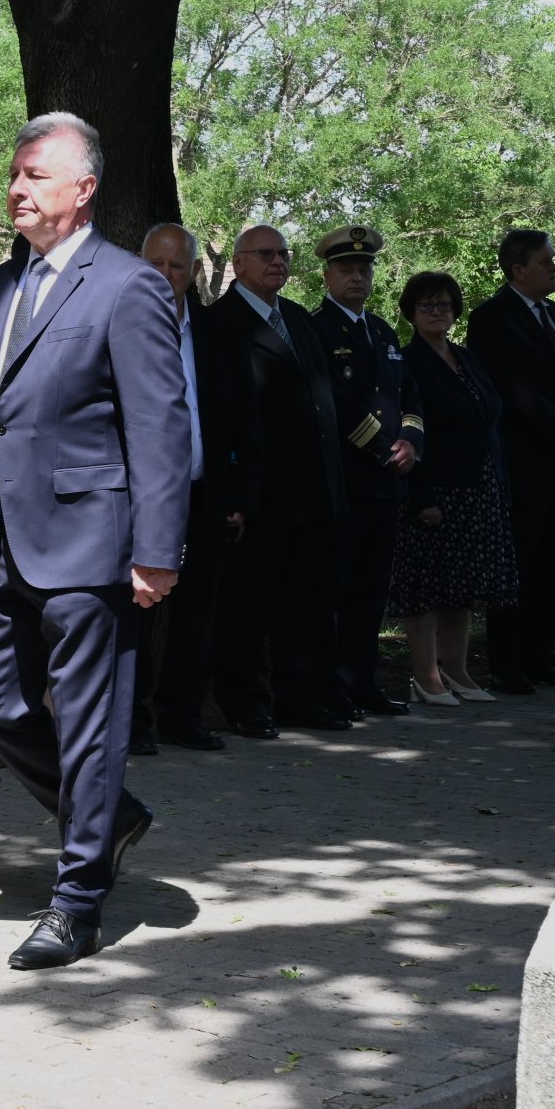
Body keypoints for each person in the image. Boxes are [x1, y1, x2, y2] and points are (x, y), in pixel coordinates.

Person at [0, 113, 189, 970]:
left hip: (89, 540)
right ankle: (108, 817)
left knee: (87, 725)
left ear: (84, 189)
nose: (17, 188)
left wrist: (158, 548)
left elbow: (159, 425)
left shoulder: (128, 286)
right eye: (14, 173)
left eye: (37, 174)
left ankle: (77, 901)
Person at [206, 224, 349, 736]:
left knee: (306, 603)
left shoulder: (296, 319)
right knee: (248, 605)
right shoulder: (220, 323)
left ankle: (300, 696)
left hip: (314, 489)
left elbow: (321, 401)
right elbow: (222, 414)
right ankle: (244, 703)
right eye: (265, 254)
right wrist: (235, 492)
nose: (278, 262)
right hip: (261, 492)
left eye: (284, 254)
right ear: (239, 263)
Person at [132, 223, 257, 753]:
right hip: (139, 498)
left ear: (193, 272)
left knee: (196, 614)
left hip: (203, 494)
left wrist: (236, 499)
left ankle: (181, 716)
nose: (164, 275)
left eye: (175, 266)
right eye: (155, 265)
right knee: (136, 616)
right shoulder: (124, 326)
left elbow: (238, 420)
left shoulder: (214, 334)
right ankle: (132, 725)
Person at [464, 229, 555, 693]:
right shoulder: (491, 319)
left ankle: (543, 654)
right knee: (518, 561)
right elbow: (513, 389)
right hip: (526, 461)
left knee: (554, 563)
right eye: (546, 261)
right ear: (518, 269)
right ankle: (507, 662)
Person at [385, 273, 518, 705]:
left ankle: (457, 670)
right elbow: (410, 428)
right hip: (435, 489)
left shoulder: (466, 358)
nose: (436, 312)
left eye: (443, 304)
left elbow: (489, 417)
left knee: (462, 585)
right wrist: (422, 495)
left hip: (479, 487)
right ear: (411, 312)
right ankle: (425, 677)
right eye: (426, 305)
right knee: (426, 587)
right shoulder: (407, 361)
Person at [310, 226, 422, 716]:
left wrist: (412, 441)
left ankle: (364, 682)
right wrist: (381, 448)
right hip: (347, 481)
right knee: (338, 589)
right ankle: (332, 685)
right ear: (328, 275)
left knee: (372, 591)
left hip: (388, 483)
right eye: (346, 269)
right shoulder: (316, 330)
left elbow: (409, 396)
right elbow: (334, 401)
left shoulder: (382, 331)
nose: (357, 276)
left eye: (364, 268)